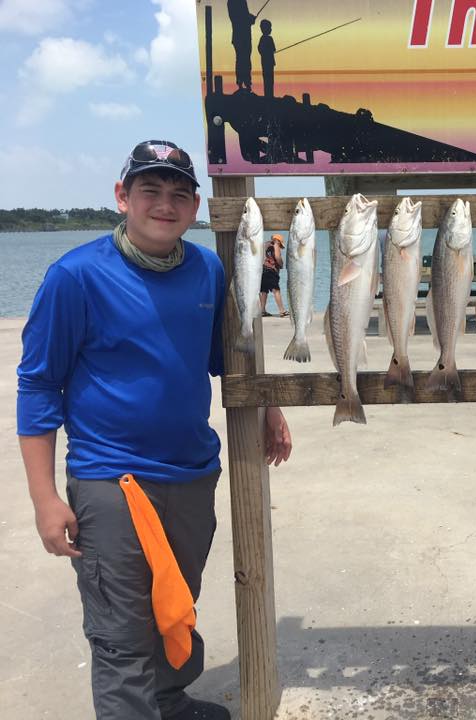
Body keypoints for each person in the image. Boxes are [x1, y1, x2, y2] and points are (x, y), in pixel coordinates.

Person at [17, 140, 293, 720]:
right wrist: (45, 499)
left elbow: (227, 352)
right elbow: (39, 388)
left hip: (191, 472)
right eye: (150, 190)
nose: (164, 205)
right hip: (110, 480)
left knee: (175, 605)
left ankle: (169, 703)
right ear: (123, 197)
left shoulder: (207, 269)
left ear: (195, 207)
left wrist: (267, 404)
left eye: (177, 194)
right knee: (122, 632)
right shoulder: (75, 276)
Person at [227, 0, 256, 91]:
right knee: (245, 59)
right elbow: (241, 18)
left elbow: (241, 17)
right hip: (243, 37)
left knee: (241, 59)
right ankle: (246, 83)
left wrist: (250, 19)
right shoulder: (238, 2)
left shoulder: (231, 2)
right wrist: (250, 19)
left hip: (239, 37)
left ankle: (242, 83)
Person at [260, 233, 288, 317]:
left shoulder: (266, 245)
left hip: (264, 270)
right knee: (276, 290)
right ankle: (282, 311)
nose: (280, 245)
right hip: (272, 271)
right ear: (278, 241)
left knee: (264, 291)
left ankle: (262, 310)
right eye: (280, 243)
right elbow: (277, 257)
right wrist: (281, 264)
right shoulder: (276, 245)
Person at [258, 18, 276, 98]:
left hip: (265, 62)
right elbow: (274, 49)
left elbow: (259, 49)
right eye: (270, 27)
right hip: (269, 62)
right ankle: (270, 95)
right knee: (270, 79)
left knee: (266, 79)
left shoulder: (262, 39)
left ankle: (268, 95)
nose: (271, 29)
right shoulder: (269, 38)